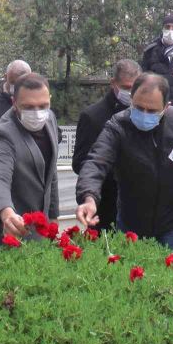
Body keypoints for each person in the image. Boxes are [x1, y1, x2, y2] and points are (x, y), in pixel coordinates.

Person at [75, 73, 173, 250]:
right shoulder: (118, 126)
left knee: (170, 275)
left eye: (152, 111)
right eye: (139, 108)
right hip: (130, 222)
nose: (144, 114)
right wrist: (89, 197)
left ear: (166, 107)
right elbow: (96, 162)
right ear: (131, 101)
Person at [0, 72, 60, 251]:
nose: (37, 113)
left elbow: (51, 172)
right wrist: (7, 213)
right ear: (14, 103)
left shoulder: (50, 119)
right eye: (28, 107)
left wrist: (53, 216)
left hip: (41, 229)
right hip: (11, 232)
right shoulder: (3, 134)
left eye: (43, 105)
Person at [72, 59, 141, 230]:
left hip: (136, 206)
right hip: (104, 205)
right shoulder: (92, 116)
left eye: (135, 88)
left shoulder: (142, 114)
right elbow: (80, 163)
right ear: (113, 84)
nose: (131, 93)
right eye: (126, 87)